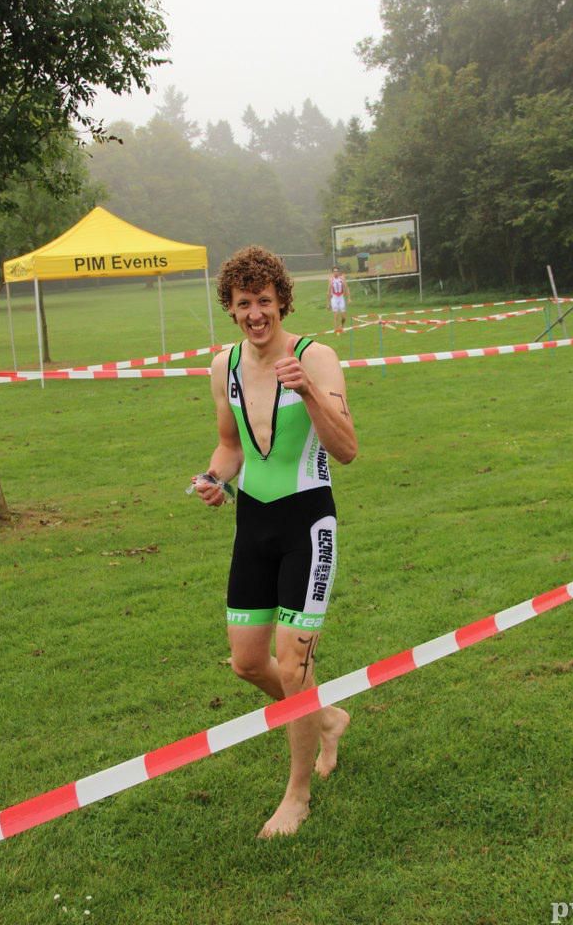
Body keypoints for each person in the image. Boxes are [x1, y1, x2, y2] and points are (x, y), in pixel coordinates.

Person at [194, 245, 358, 838]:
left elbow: (347, 449)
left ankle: (297, 794)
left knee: (293, 667)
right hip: (253, 525)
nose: (255, 313)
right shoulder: (224, 366)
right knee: (246, 662)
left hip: (308, 524)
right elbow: (231, 446)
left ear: (281, 302)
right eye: (244, 304)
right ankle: (328, 717)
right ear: (231, 310)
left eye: (265, 301)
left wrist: (308, 391)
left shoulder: (318, 356)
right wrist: (214, 478)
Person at [327, 266, 350, 331]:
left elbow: (346, 288)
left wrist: (348, 298)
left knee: (343, 315)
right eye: (334, 271)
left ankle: (342, 327)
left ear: (339, 272)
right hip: (334, 297)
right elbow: (328, 291)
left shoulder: (342, 278)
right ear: (332, 272)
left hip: (341, 297)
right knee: (336, 313)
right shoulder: (331, 279)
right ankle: (336, 328)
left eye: (337, 271)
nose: (336, 272)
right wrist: (328, 303)